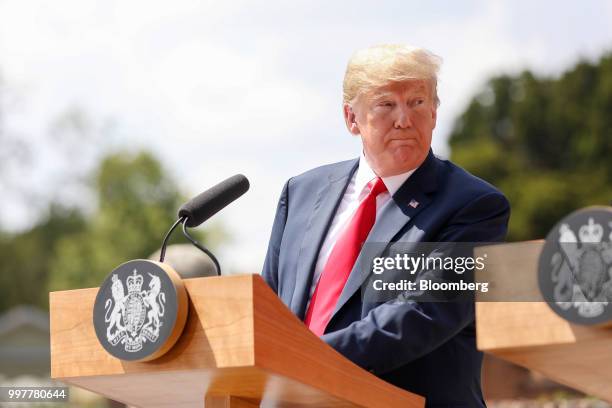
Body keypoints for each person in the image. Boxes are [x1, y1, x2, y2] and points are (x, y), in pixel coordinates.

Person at [262, 44, 510, 407]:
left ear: (435, 112)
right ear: (351, 118)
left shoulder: (474, 206)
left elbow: (426, 311)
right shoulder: (301, 193)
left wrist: (304, 358)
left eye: (418, 103)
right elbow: (270, 308)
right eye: (386, 105)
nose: (404, 119)